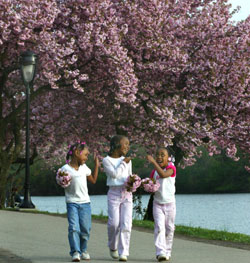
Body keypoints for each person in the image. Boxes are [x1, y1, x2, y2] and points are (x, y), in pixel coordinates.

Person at [59, 141, 99, 262]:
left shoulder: (84, 168)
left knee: (86, 229)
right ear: (77, 153)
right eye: (85, 155)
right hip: (72, 203)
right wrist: (62, 181)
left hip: (85, 203)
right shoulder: (64, 169)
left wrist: (96, 165)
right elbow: (62, 183)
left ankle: (84, 250)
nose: (87, 158)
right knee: (74, 227)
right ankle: (75, 252)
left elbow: (93, 180)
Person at [102, 135, 133, 262]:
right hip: (114, 193)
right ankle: (112, 246)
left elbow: (130, 175)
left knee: (126, 224)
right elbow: (114, 175)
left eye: (128, 144)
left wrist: (133, 183)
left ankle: (124, 252)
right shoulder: (106, 160)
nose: (127, 146)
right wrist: (122, 163)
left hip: (126, 193)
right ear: (116, 144)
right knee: (113, 224)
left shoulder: (127, 160)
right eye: (125, 143)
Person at [147, 147, 176, 262]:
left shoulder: (171, 168)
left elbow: (164, 175)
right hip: (157, 204)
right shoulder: (154, 172)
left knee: (169, 228)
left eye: (162, 155)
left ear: (168, 158)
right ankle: (160, 252)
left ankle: (167, 251)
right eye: (157, 155)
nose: (159, 157)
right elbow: (151, 186)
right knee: (159, 228)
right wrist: (149, 187)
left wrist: (153, 162)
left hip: (170, 204)